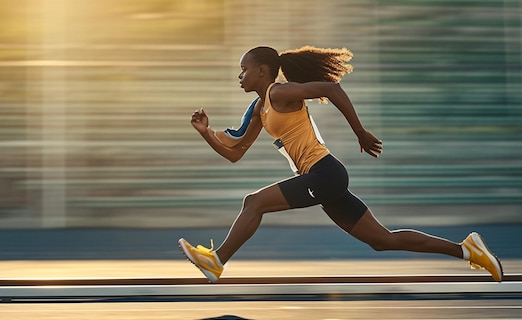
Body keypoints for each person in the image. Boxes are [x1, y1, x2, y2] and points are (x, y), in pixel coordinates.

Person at [178, 45, 503, 283]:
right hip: (323, 179)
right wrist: (206, 133)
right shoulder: (260, 108)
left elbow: (332, 89)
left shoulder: (281, 93)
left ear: (262, 71)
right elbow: (235, 152)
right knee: (382, 240)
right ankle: (468, 250)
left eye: (244, 69)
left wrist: (360, 133)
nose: (240, 75)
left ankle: (217, 260)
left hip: (325, 173)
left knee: (254, 203)